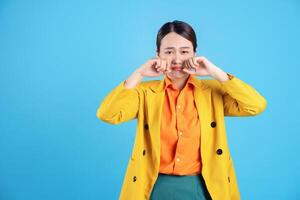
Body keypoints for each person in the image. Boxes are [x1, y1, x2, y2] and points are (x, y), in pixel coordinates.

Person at [96, 20, 267, 200]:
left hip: (204, 186)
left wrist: (215, 73)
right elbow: (108, 114)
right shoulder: (145, 93)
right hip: (152, 187)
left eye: (184, 51)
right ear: (157, 54)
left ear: (195, 54)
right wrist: (138, 74)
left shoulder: (213, 91)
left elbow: (255, 105)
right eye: (169, 52)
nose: (177, 59)